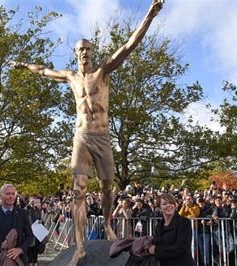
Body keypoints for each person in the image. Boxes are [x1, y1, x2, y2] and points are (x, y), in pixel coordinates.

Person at [15, 1, 164, 264]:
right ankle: (80, 246)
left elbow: (130, 45)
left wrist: (149, 16)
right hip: (81, 136)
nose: (85, 52)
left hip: (102, 137)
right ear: (75, 54)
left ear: (92, 53)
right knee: (78, 190)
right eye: (81, 49)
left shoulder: (103, 70)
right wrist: (25, 65)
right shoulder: (70, 77)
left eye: (88, 49)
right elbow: (43, 71)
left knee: (108, 187)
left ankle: (107, 224)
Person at [0, 184, 33, 266]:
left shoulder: (22, 213)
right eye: (8, 194)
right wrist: (0, 245)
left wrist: (20, 249)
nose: (11, 196)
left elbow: (29, 235)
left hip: (19, 259)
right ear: (1, 196)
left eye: (13, 194)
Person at [147, 193, 195, 265]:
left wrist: (156, 250)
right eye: (164, 204)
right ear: (159, 208)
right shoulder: (159, 227)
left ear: (175, 206)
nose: (168, 205)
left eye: (171, 203)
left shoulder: (184, 222)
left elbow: (181, 248)